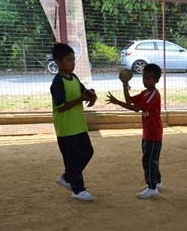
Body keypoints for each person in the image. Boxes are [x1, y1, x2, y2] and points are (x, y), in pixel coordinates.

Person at [106, 63, 163, 199]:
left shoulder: (153, 95)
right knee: (151, 159)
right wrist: (125, 85)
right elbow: (129, 100)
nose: (145, 81)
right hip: (149, 133)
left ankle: (152, 187)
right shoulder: (145, 93)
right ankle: (157, 182)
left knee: (148, 160)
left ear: (156, 80)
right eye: (144, 78)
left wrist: (116, 101)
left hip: (153, 134)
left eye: (148, 78)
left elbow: (136, 108)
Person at [50, 42, 97, 201]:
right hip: (66, 128)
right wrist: (81, 99)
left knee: (87, 152)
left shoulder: (74, 77)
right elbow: (61, 107)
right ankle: (78, 190)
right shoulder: (57, 82)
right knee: (72, 159)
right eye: (68, 60)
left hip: (79, 126)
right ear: (58, 62)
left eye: (73, 60)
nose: (72, 63)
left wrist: (91, 95)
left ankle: (67, 177)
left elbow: (83, 92)